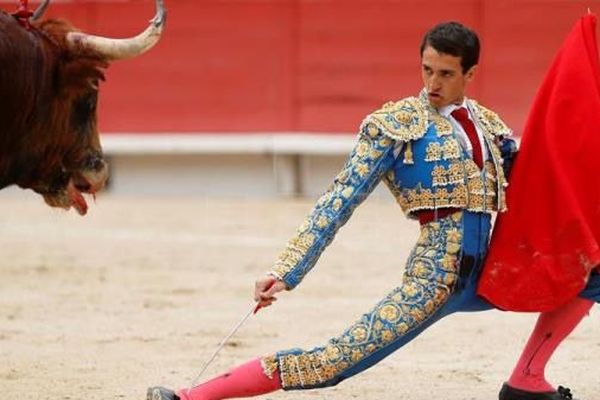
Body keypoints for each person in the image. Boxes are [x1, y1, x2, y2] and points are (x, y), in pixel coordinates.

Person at [147, 21, 521, 400]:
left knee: (580, 282)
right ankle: (187, 397)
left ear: (470, 74)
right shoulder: (395, 126)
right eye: (427, 70)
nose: (432, 83)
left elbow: (537, 181)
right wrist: (287, 269)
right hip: (435, 278)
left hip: (490, 273)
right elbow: (339, 199)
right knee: (332, 363)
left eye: (445, 74)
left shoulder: (490, 127)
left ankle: (528, 384)